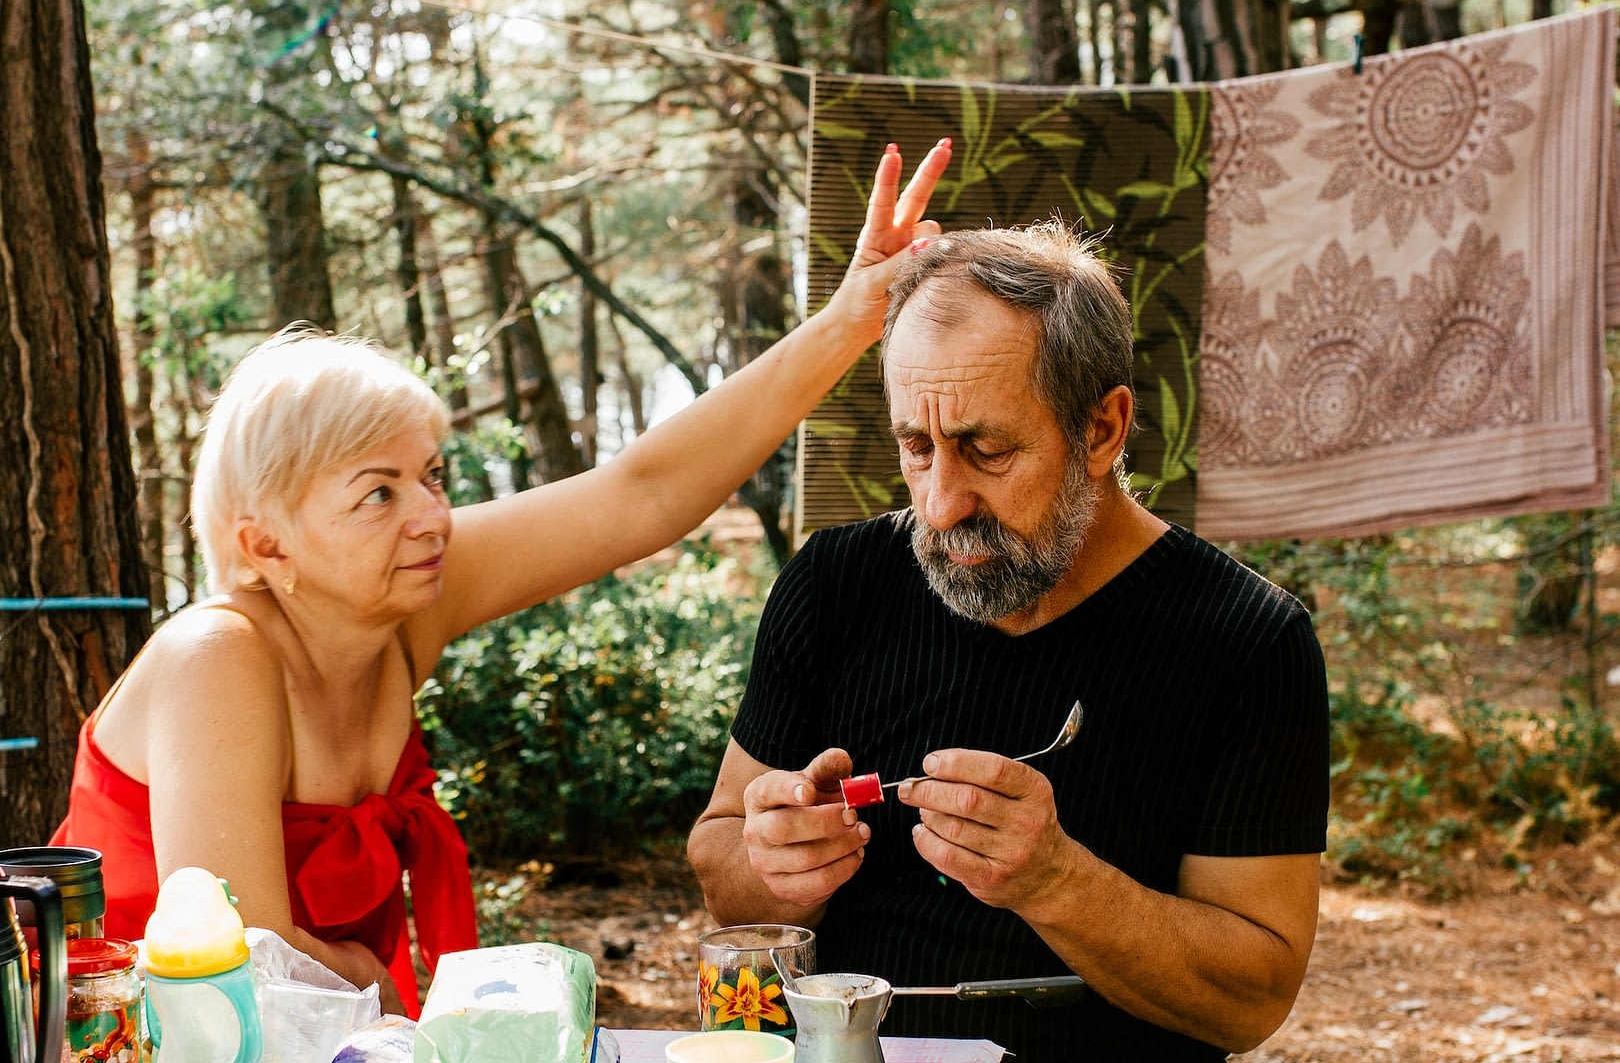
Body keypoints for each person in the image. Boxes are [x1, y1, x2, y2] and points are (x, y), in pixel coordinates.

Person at [50, 139, 953, 1017]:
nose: (430, 517)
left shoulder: (405, 596)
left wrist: (850, 321)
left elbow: (641, 495)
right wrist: (375, 977)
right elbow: (245, 973)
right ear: (268, 545)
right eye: (377, 493)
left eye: (432, 476)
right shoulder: (218, 654)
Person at [687, 222, 1329, 1059]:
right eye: (917, 448)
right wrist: (774, 869)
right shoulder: (836, 583)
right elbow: (720, 862)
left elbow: (1252, 1000)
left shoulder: (1249, 642)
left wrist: (1060, 883)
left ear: (1102, 430)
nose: (942, 503)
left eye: (986, 450)